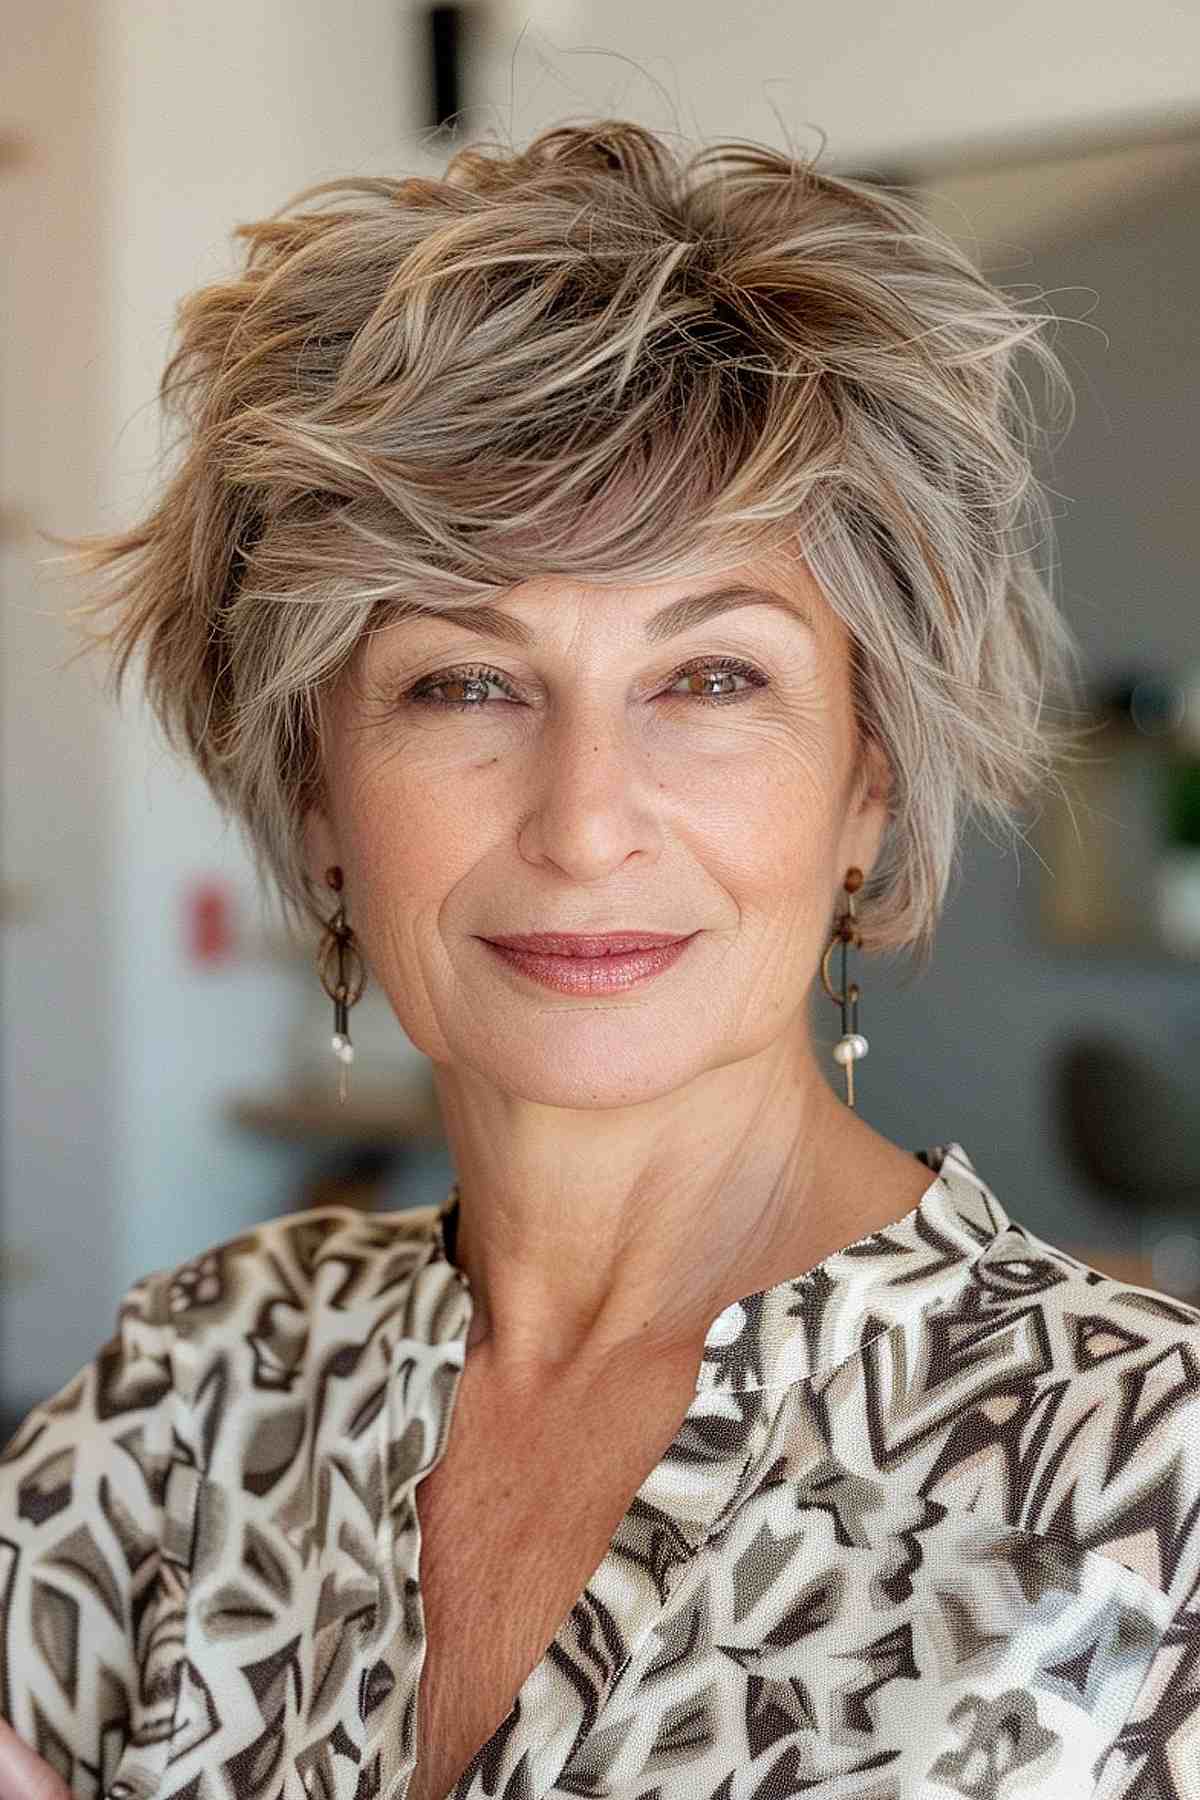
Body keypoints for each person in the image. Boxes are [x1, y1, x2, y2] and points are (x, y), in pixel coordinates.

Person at [1, 118, 1197, 1800]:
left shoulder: (1147, 1480)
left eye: (710, 680)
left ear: (867, 785)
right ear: (319, 798)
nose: (583, 824)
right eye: (461, 683)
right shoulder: (192, 1388)